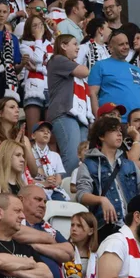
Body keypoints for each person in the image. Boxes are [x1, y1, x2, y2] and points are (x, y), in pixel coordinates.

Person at [77, 116, 140, 228]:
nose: (119, 134)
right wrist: (101, 200)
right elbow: (81, 195)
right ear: (101, 136)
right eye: (113, 130)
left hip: (132, 225)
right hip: (106, 225)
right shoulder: (88, 164)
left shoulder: (129, 164)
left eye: (120, 131)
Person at [46, 34, 93, 175]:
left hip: (79, 116)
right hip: (64, 113)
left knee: (82, 159)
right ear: (63, 46)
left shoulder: (68, 63)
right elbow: (84, 71)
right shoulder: (58, 59)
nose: (77, 47)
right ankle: (63, 194)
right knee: (72, 158)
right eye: (74, 44)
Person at [89, 30, 140, 123]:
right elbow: (92, 94)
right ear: (111, 48)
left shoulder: (136, 69)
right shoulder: (100, 66)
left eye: (127, 43)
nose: (126, 47)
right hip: (111, 122)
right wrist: (99, 120)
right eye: (121, 44)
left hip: (136, 124)